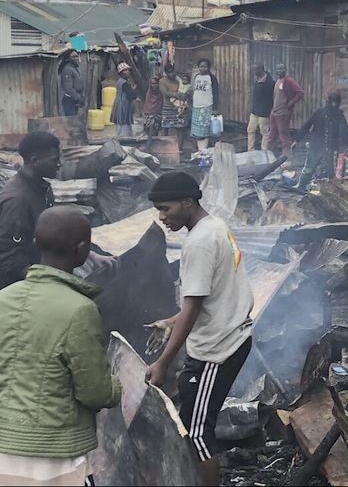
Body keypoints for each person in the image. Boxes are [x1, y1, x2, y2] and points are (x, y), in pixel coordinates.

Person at [145, 171, 253, 487]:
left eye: (166, 209)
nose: (162, 217)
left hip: (217, 350)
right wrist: (170, 322)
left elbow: (192, 309)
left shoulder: (199, 243)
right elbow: (210, 297)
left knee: (196, 432)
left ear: (188, 202)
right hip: (232, 334)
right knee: (196, 421)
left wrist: (162, 363)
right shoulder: (215, 226)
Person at [0, 207, 121, 487]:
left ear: (34, 243)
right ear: (82, 249)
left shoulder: (4, 298)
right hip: (52, 452)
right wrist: (117, 386)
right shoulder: (80, 310)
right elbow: (95, 392)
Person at [0, 131, 58, 289]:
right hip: (17, 286)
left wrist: (90, 256)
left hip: (38, 267)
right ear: (35, 161)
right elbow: (8, 257)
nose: (59, 164)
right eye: (55, 160)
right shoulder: (17, 201)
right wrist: (47, 282)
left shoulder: (42, 188)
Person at [298, 92, 348, 183]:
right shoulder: (337, 115)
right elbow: (345, 133)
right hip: (327, 147)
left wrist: (296, 139)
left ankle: (302, 185)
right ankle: (328, 187)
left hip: (318, 146)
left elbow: (306, 126)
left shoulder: (320, 112)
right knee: (329, 172)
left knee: (310, 169)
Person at [268, 63, 303, 155]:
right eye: (278, 69)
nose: (279, 71)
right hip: (274, 112)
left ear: (285, 70)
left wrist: (290, 103)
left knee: (284, 136)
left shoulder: (289, 81)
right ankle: (269, 155)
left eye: (281, 69)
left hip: (283, 113)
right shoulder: (277, 81)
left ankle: (286, 157)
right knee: (271, 136)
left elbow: (300, 93)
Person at [189, 58, 220, 151]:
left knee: (204, 130)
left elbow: (216, 93)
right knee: (197, 130)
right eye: (201, 66)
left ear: (208, 67)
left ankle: (203, 150)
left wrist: (215, 108)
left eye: (205, 66)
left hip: (206, 106)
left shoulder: (211, 77)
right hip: (196, 106)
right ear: (198, 67)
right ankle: (201, 150)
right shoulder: (196, 76)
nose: (203, 68)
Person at [247, 63, 274, 150]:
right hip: (254, 111)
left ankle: (264, 151)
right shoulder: (257, 79)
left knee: (265, 132)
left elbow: (272, 97)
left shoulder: (269, 82)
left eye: (256, 70)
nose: (254, 72)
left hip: (264, 112)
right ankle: (250, 149)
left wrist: (269, 109)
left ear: (261, 69)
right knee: (250, 130)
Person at [110, 62, 137, 137]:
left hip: (118, 106)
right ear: (121, 73)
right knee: (124, 127)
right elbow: (132, 96)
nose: (127, 72)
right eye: (125, 70)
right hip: (123, 107)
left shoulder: (119, 82)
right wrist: (133, 90)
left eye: (128, 70)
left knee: (119, 127)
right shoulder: (125, 84)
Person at [159, 62, 184, 136]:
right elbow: (165, 93)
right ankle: (164, 145)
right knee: (165, 127)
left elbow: (183, 89)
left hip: (178, 108)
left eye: (173, 71)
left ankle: (180, 147)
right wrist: (176, 94)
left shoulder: (178, 80)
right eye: (169, 72)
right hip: (167, 107)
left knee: (180, 127)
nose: (172, 74)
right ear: (166, 73)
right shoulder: (162, 81)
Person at [59, 51, 84, 118]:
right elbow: (68, 88)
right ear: (68, 58)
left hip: (75, 99)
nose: (76, 58)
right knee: (70, 122)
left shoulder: (74, 68)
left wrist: (80, 97)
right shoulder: (67, 69)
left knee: (74, 121)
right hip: (69, 100)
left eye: (76, 56)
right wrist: (78, 98)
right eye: (73, 57)